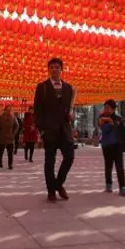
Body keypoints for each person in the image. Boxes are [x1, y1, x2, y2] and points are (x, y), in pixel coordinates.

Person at [34, 57, 76, 203]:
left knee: (70, 157)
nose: (54, 69)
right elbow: (37, 111)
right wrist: (42, 130)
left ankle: (58, 184)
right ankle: (51, 191)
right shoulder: (42, 87)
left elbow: (69, 109)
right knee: (49, 162)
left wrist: (71, 115)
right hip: (49, 131)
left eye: (57, 67)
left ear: (61, 69)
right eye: (51, 67)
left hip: (64, 130)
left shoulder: (68, 88)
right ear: (48, 70)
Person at [98, 99, 125, 197]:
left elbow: (122, 131)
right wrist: (110, 122)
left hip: (117, 145)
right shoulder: (101, 117)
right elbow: (103, 127)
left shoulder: (119, 118)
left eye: (108, 108)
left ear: (114, 109)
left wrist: (111, 122)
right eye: (105, 108)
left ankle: (123, 187)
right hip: (106, 145)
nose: (106, 110)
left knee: (120, 167)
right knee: (108, 166)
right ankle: (108, 185)